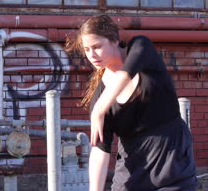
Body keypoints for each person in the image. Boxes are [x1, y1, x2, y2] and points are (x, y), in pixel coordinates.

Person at [66, 15, 198, 191]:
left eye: (97, 47)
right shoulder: (100, 96)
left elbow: (126, 73)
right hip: (132, 179)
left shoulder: (141, 47)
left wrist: (99, 110)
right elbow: (100, 151)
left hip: (173, 173)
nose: (91, 55)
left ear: (114, 41)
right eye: (87, 49)